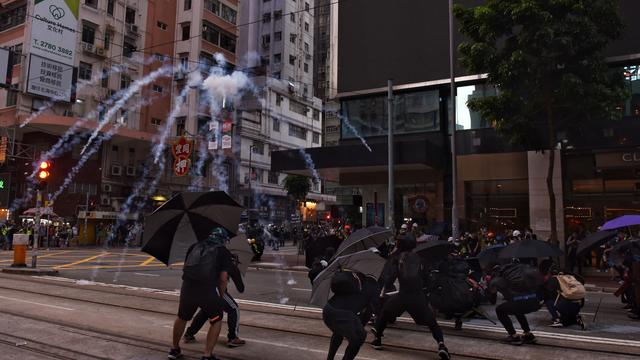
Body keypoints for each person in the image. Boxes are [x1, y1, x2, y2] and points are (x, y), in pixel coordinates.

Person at [371, 235, 450, 359]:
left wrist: (387, 288)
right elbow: (428, 280)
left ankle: (377, 338)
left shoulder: (397, 259)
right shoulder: (422, 259)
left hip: (402, 296)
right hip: (418, 297)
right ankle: (441, 345)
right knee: (432, 323)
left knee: (385, 312)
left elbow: (389, 280)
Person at [168, 228, 234, 360]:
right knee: (216, 319)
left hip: (187, 287)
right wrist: (220, 296)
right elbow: (223, 278)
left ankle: (174, 350)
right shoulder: (223, 251)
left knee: (182, 317)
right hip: (207, 290)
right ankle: (207, 355)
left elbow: (185, 267)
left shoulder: (194, 246)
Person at [184, 249, 246, 348]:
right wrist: (235, 272)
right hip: (214, 290)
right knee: (234, 308)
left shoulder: (213, 260)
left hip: (198, 288)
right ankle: (232, 337)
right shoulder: (231, 266)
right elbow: (241, 288)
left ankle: (189, 334)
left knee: (206, 310)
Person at [322, 270, 377, 360]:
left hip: (328, 310)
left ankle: (330, 358)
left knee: (338, 331)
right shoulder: (374, 286)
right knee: (359, 337)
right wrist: (360, 326)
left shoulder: (356, 277)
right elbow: (369, 311)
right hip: (343, 315)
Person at [488, 262, 541, 345]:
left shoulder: (496, 280)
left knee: (500, 310)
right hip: (535, 301)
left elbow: (492, 300)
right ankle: (528, 334)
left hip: (520, 302)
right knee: (516, 308)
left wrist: (488, 286)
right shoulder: (518, 273)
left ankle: (513, 336)